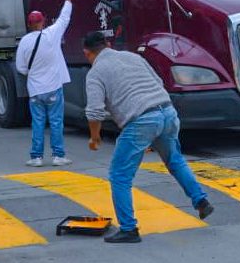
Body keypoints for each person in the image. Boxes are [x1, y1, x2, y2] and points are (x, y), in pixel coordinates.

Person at [83, 31, 214, 243]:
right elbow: (158, 81)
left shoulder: (96, 72)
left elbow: (94, 111)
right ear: (108, 44)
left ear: (87, 53)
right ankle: (201, 201)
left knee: (119, 175)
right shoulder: (133, 57)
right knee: (175, 160)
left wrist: (95, 136)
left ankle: (128, 229)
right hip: (167, 112)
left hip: (141, 121)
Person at [15, 0, 78, 167]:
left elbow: (20, 68)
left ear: (29, 24)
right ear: (42, 21)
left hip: (35, 90)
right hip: (53, 88)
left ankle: (36, 157)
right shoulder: (52, 34)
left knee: (38, 123)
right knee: (56, 122)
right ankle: (58, 156)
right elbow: (64, 18)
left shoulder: (24, 42)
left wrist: (34, 73)